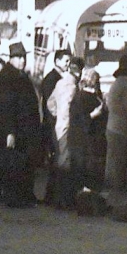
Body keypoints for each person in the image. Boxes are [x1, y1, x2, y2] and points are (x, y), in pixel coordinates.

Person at [0, 42, 41, 208]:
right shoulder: (8, 77)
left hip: (26, 128)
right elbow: (6, 107)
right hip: (17, 128)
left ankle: (25, 195)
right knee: (16, 164)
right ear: (11, 59)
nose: (22, 60)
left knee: (24, 163)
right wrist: (10, 132)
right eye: (18, 57)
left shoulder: (20, 75)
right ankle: (15, 197)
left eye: (24, 57)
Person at [103, 54, 127, 206]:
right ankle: (118, 203)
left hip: (113, 128)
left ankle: (110, 200)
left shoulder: (117, 84)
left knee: (113, 165)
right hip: (122, 132)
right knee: (120, 168)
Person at [46, 56, 85, 209]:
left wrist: (57, 115)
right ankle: (63, 200)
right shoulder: (73, 87)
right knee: (66, 166)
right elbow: (72, 110)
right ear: (79, 71)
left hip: (58, 126)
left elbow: (50, 103)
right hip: (68, 129)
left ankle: (56, 198)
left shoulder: (60, 83)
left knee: (60, 162)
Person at [68, 68, 108, 192]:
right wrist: (93, 114)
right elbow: (80, 120)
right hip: (88, 141)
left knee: (83, 174)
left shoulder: (81, 97)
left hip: (84, 141)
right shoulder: (88, 98)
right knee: (88, 174)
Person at [40, 49, 71, 205]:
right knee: (56, 160)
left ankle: (52, 195)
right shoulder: (53, 79)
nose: (68, 64)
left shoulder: (57, 78)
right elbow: (50, 104)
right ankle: (51, 195)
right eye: (66, 60)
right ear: (57, 61)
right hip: (54, 125)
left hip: (54, 123)